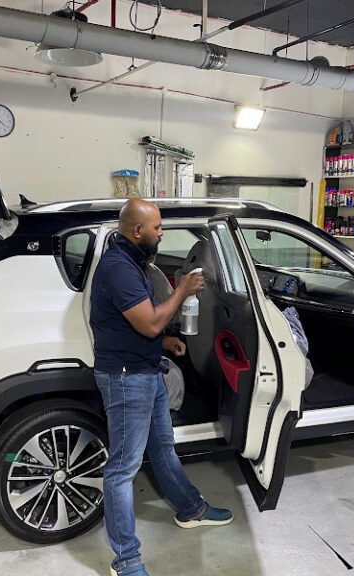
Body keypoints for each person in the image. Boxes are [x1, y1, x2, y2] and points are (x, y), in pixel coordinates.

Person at [90, 198, 233, 576]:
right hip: (127, 378)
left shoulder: (133, 261)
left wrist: (163, 343)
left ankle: (192, 510)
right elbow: (150, 322)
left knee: (162, 447)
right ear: (137, 230)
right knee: (122, 469)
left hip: (146, 370)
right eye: (157, 228)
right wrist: (183, 290)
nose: (162, 233)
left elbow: (134, 324)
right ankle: (126, 560)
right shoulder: (119, 267)